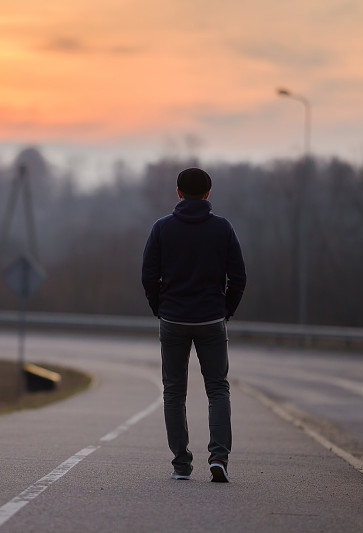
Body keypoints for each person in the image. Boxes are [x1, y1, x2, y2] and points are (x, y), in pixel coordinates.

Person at [141, 167, 246, 483]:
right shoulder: (222, 229)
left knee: (174, 391)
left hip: (173, 319)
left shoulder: (162, 229)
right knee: (217, 389)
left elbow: (148, 276)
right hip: (211, 319)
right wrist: (225, 309)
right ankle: (218, 458)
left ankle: (181, 465)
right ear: (208, 194)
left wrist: (160, 308)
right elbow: (238, 277)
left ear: (178, 192)